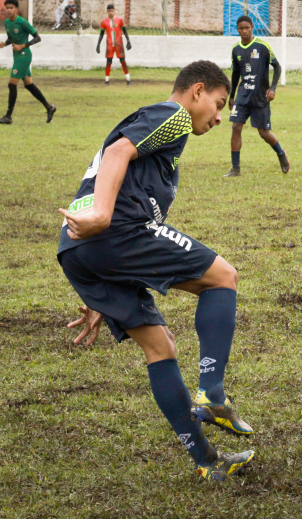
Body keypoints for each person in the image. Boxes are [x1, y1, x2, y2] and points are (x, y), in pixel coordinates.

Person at [57, 61, 256, 481]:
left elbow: (105, 180)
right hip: (114, 232)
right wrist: (105, 217)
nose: (220, 117)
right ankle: (212, 393)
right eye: (219, 104)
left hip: (83, 250)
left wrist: (98, 288)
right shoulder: (173, 116)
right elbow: (116, 153)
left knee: (160, 346)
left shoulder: (167, 150)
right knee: (222, 277)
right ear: (197, 91)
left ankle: (207, 463)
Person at [224, 15, 289, 177]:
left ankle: (281, 154)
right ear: (237, 30)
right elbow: (235, 73)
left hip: (260, 96)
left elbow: (277, 67)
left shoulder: (262, 46)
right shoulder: (236, 49)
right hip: (242, 95)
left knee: (263, 133)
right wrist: (231, 95)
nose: (244, 31)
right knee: (236, 127)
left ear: (252, 28)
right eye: (241, 28)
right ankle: (235, 168)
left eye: (247, 28)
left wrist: (272, 88)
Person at [0, 0, 56, 125]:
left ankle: (8, 116)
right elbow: (11, 38)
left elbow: (37, 38)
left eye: (11, 8)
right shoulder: (8, 23)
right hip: (17, 55)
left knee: (12, 85)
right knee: (29, 85)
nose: (9, 10)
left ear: (16, 9)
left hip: (24, 55)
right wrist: (5, 43)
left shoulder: (22, 22)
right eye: (7, 8)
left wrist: (22, 46)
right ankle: (49, 107)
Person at [97, 4, 132, 86]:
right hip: (110, 45)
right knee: (109, 61)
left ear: (114, 11)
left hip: (119, 44)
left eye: (112, 11)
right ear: (107, 12)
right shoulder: (104, 22)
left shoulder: (119, 20)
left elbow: (125, 31)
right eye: (109, 11)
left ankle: (128, 79)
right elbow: (101, 34)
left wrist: (128, 41)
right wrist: (98, 44)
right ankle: (107, 80)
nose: (111, 12)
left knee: (122, 61)